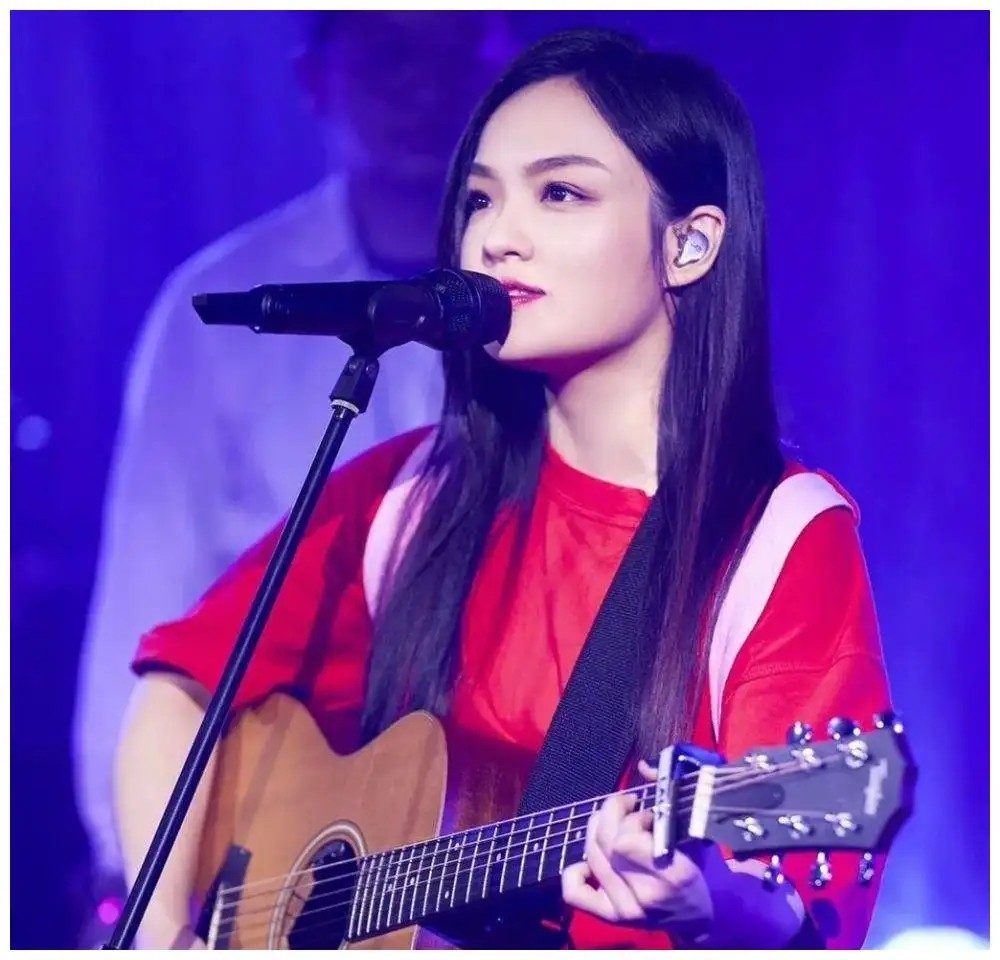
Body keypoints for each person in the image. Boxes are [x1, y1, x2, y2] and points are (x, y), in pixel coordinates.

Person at [114, 27, 894, 950]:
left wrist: (710, 901)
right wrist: (163, 937)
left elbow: (802, 906)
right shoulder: (414, 495)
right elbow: (182, 687)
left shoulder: (777, 538)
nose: (496, 238)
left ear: (689, 244)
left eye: (560, 193)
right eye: (480, 198)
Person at [73, 9, 518, 914]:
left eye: (456, 55)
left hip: (488, 819)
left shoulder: (552, 296)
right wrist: (128, 870)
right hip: (264, 843)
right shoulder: (226, 304)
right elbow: (151, 584)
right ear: (317, 79)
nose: (425, 90)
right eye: (390, 57)